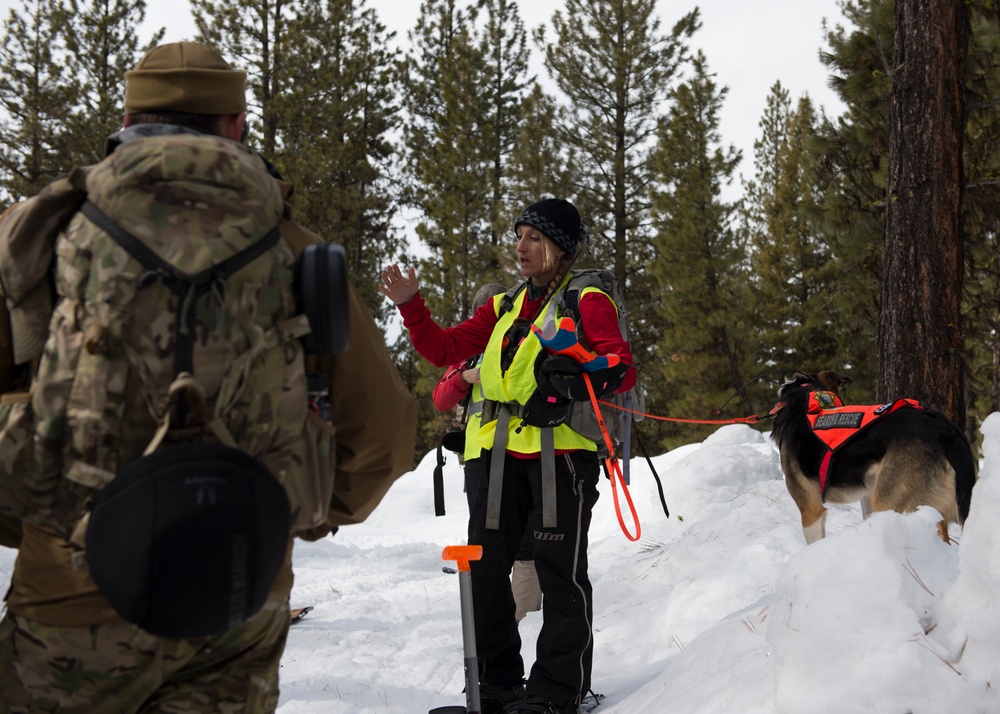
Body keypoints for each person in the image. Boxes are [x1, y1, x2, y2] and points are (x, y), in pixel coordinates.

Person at [0, 41, 417, 713]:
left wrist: (44, 523)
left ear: (129, 119)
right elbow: (385, 434)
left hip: (71, 599)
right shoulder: (295, 249)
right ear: (237, 127)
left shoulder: (44, 234)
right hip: (237, 590)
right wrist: (281, 516)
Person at [379, 198, 635, 714]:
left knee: (559, 572)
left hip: (561, 456)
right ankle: (497, 686)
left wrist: (570, 378)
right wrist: (412, 305)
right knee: (487, 571)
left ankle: (555, 692)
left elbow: (619, 365)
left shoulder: (585, 297)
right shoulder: (506, 306)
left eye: (534, 238)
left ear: (560, 248)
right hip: (495, 459)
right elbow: (445, 349)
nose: (522, 246)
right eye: (519, 236)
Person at [432, 283, 542, 624]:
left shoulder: (526, 342)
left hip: (521, 451)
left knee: (525, 540)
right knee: (487, 541)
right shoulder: (471, 355)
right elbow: (441, 398)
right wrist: (467, 375)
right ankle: (497, 623)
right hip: (480, 459)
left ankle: (522, 620)